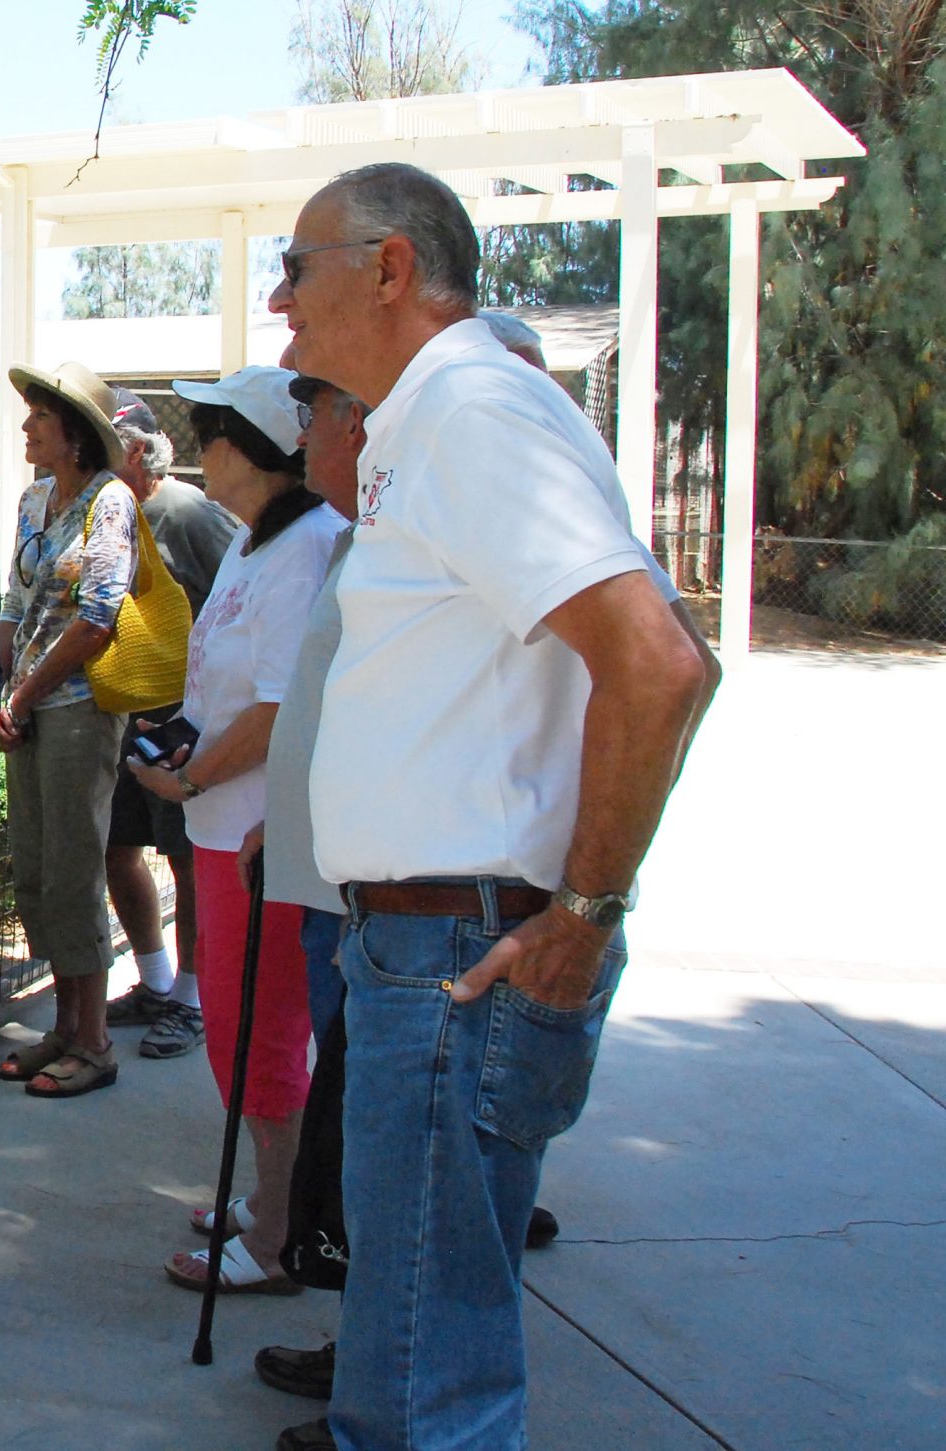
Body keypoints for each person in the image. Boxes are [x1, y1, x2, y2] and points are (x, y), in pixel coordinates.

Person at [273, 163, 711, 1451]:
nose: (279, 297)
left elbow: (661, 661)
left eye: (297, 266)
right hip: (434, 946)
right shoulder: (443, 415)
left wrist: (580, 914)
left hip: (459, 957)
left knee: (426, 1401)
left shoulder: (469, 407)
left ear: (390, 267)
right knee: (412, 1364)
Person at [124, 366, 346, 1296]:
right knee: (242, 1024)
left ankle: (281, 1235)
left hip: (258, 832)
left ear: (253, 449)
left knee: (263, 1029)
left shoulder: (306, 549)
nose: (199, 448)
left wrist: (189, 774)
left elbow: (281, 705)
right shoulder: (264, 542)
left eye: (211, 432)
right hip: (225, 822)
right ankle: (273, 1193)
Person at [0, 359, 143, 1098]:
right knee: (39, 865)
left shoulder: (109, 502)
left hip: (79, 705)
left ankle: (94, 1038)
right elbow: (15, 602)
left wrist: (24, 693)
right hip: (29, 706)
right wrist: (4, 689)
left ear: (73, 432)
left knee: (77, 865)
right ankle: (65, 1022)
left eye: (39, 417)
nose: (24, 427)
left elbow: (97, 619)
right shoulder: (35, 499)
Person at [102, 389, 238, 1059]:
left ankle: (193, 997)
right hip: (125, 713)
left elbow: (240, 590)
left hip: (183, 722)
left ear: (135, 450)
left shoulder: (186, 513)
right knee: (116, 845)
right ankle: (156, 981)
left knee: (186, 860)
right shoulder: (110, 514)